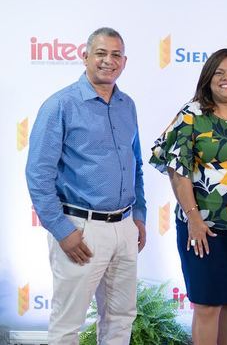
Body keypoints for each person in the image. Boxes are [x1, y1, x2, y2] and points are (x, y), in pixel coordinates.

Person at [25, 27, 146, 345]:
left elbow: (135, 164)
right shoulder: (60, 106)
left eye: (116, 54)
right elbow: (38, 175)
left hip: (124, 227)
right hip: (81, 229)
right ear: (85, 57)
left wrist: (140, 215)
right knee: (68, 325)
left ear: (125, 61)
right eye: (101, 53)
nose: (109, 61)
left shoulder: (127, 105)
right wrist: (62, 230)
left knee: (121, 320)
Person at [150, 48, 227, 345]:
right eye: (219, 72)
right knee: (207, 305)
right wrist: (193, 219)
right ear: (208, 78)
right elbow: (177, 170)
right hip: (201, 227)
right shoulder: (192, 115)